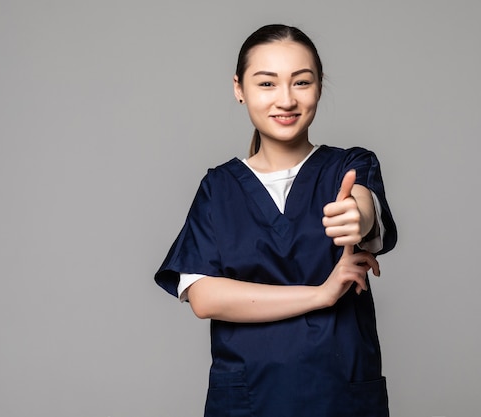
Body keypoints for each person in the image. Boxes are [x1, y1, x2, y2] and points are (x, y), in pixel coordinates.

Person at [155, 23, 397, 417]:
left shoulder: (349, 165)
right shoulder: (218, 188)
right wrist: (320, 294)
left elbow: (363, 206)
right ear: (239, 88)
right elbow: (204, 298)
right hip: (250, 399)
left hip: (338, 395)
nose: (286, 99)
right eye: (267, 84)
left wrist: (357, 216)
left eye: (301, 82)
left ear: (319, 86)